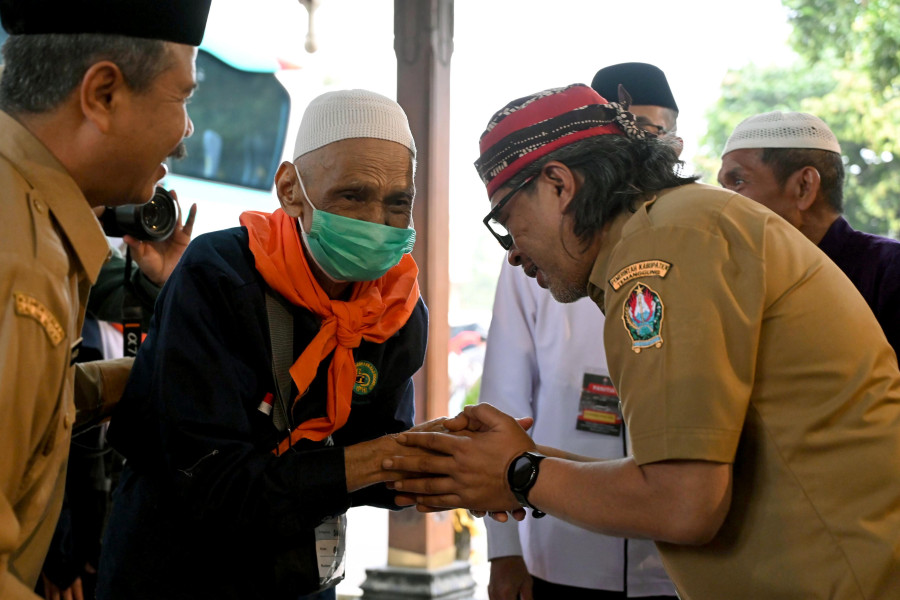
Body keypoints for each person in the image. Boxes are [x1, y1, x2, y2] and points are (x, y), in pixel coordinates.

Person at [384, 84, 900, 599]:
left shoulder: (659, 249)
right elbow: (679, 478)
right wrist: (518, 458)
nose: (514, 254)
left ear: (560, 185)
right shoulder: (680, 224)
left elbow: (684, 504)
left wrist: (518, 472)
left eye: (507, 222)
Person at [97, 89, 432, 600]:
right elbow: (216, 486)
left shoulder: (395, 309)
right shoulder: (219, 278)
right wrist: (383, 458)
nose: (376, 222)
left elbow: (376, 454)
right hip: (181, 574)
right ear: (290, 189)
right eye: (353, 196)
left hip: (301, 576)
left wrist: (445, 458)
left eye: (397, 203)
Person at [0, 1, 211, 597]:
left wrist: (141, 377)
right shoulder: (21, 265)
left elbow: (37, 405)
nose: (187, 131)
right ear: (103, 94)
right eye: (183, 98)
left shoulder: (28, 214)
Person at [481, 63, 677, 600]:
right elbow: (504, 396)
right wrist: (504, 550)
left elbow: (692, 496)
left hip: (678, 562)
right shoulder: (534, 256)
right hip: (562, 543)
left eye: (651, 138)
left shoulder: (687, 247)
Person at [39, 203, 197, 600]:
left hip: (119, 537)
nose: (157, 179)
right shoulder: (51, 258)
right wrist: (59, 550)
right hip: (57, 541)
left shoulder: (134, 278)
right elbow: (33, 431)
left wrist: (169, 280)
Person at [718, 111, 900, 358]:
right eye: (722, 187)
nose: (724, 201)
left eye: (738, 181)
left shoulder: (888, 269)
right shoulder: (739, 281)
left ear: (804, 186)